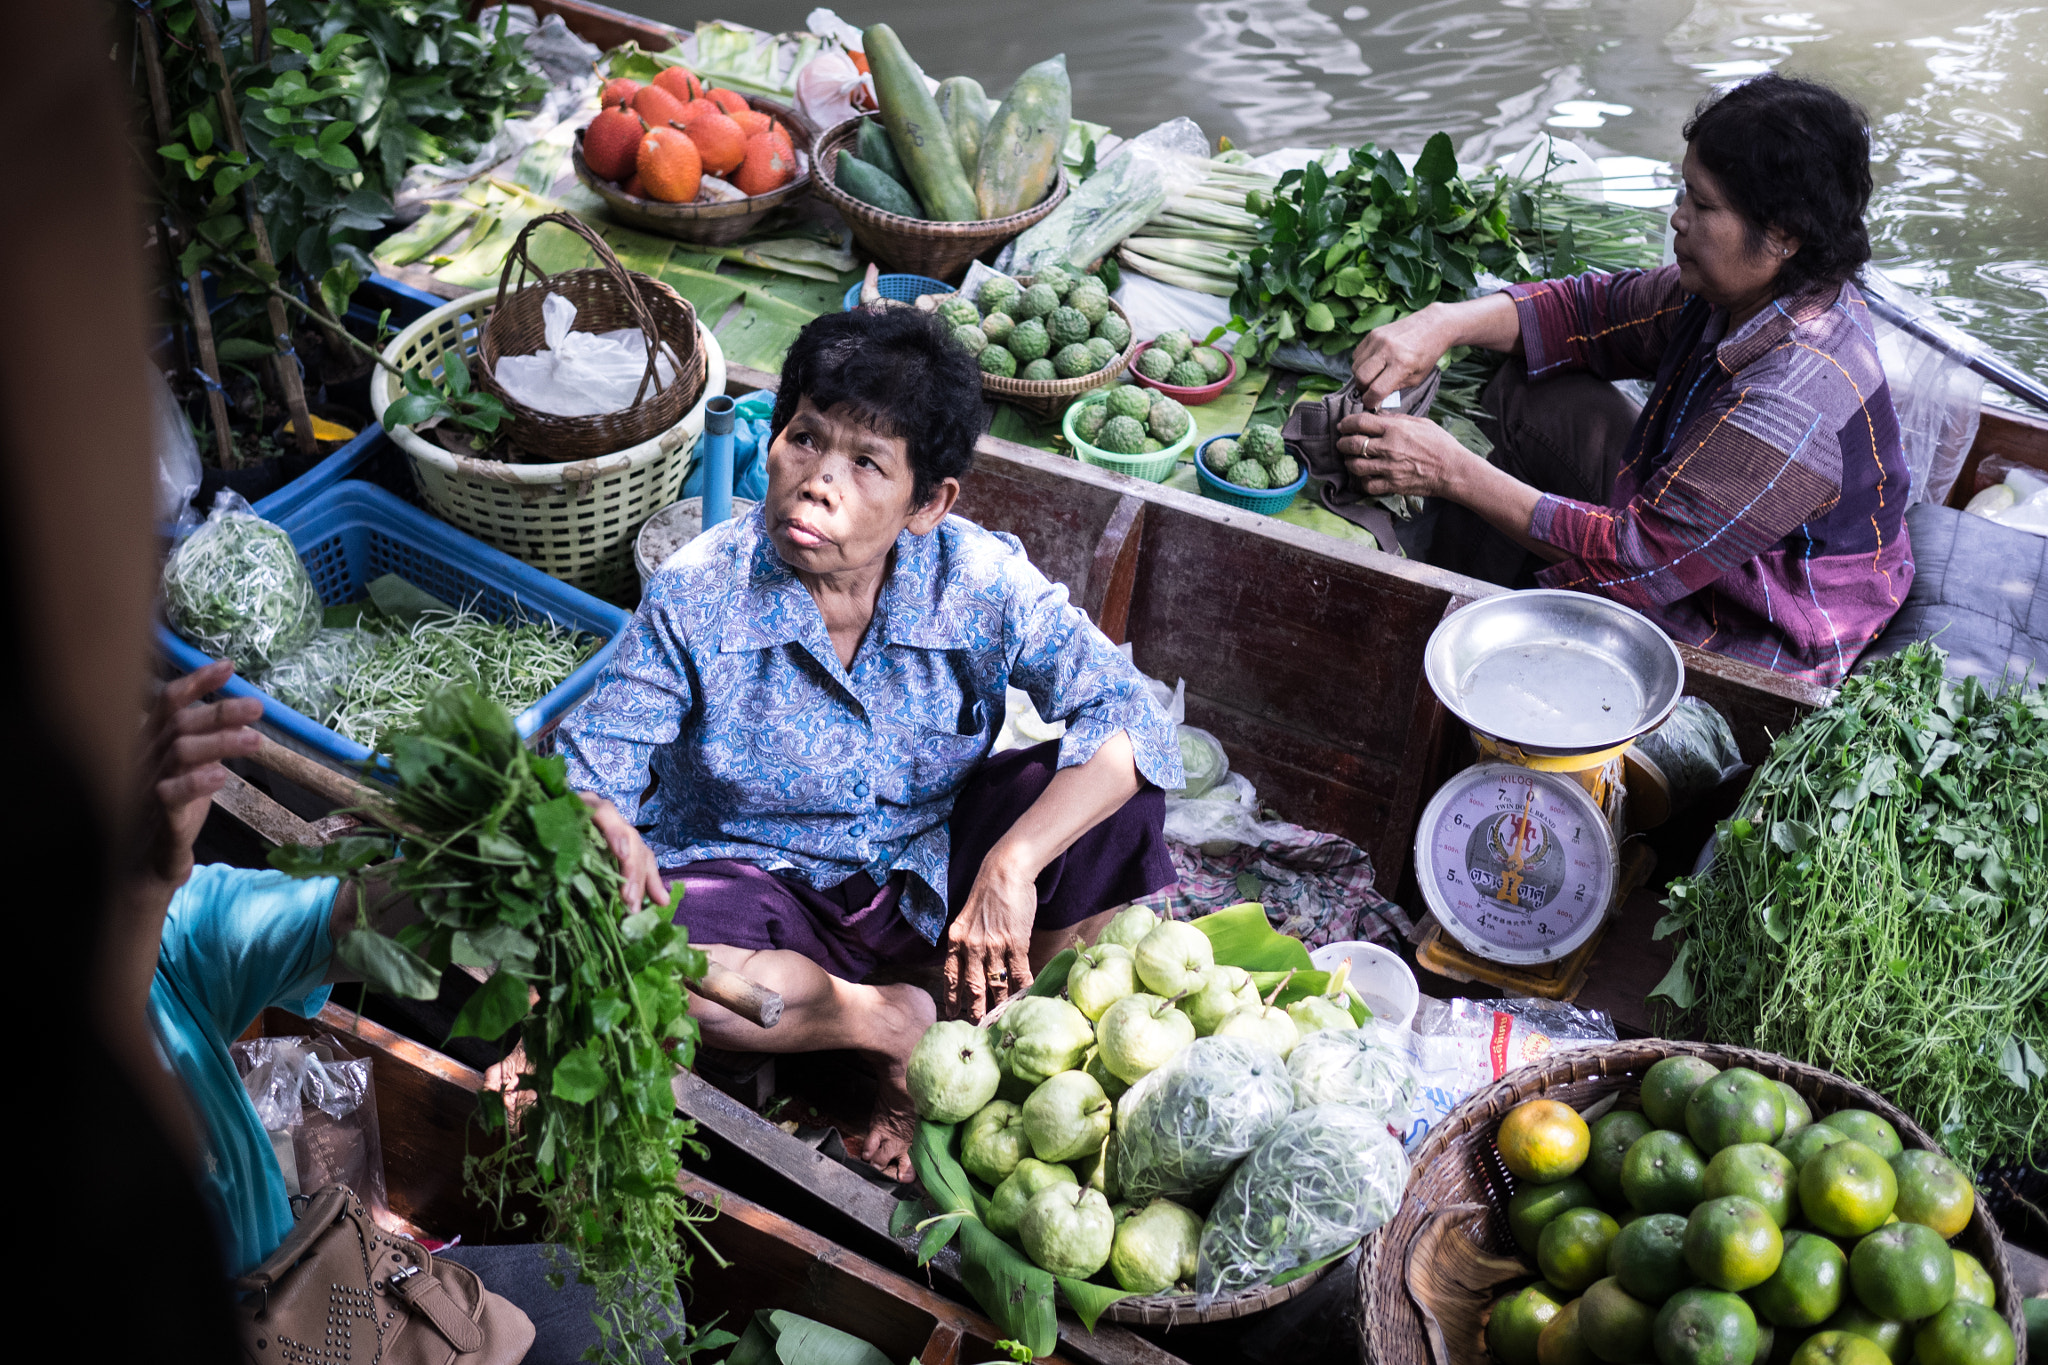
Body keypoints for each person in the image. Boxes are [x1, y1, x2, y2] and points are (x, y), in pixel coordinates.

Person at [558, 306, 1184, 1180]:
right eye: (805, 439)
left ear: (929, 502)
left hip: (926, 878)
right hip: (762, 890)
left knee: (1116, 802)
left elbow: (1131, 716)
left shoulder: (975, 580)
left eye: (864, 463)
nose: (817, 481)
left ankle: (1002, 1046)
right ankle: (886, 1024)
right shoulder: (695, 594)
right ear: (771, 441)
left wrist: (1009, 865)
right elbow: (588, 778)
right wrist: (602, 826)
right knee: (644, 959)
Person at [136, 660, 670, 1364]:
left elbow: (357, 914)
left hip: (314, 1285)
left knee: (639, 1299)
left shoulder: (166, 923)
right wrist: (138, 889)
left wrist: (518, 855)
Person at [1340, 73, 1912, 687]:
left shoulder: (1794, 399)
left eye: (1703, 205)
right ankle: (1467, 598)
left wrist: (1450, 470)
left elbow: (1639, 558)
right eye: (1683, 194)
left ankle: (1471, 648)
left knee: (1566, 597)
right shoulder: (1737, 293)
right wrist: (1441, 323)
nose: (1678, 218)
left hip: (1756, 622)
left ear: (1783, 236)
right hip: (1690, 537)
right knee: (1530, 391)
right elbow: (1593, 314)